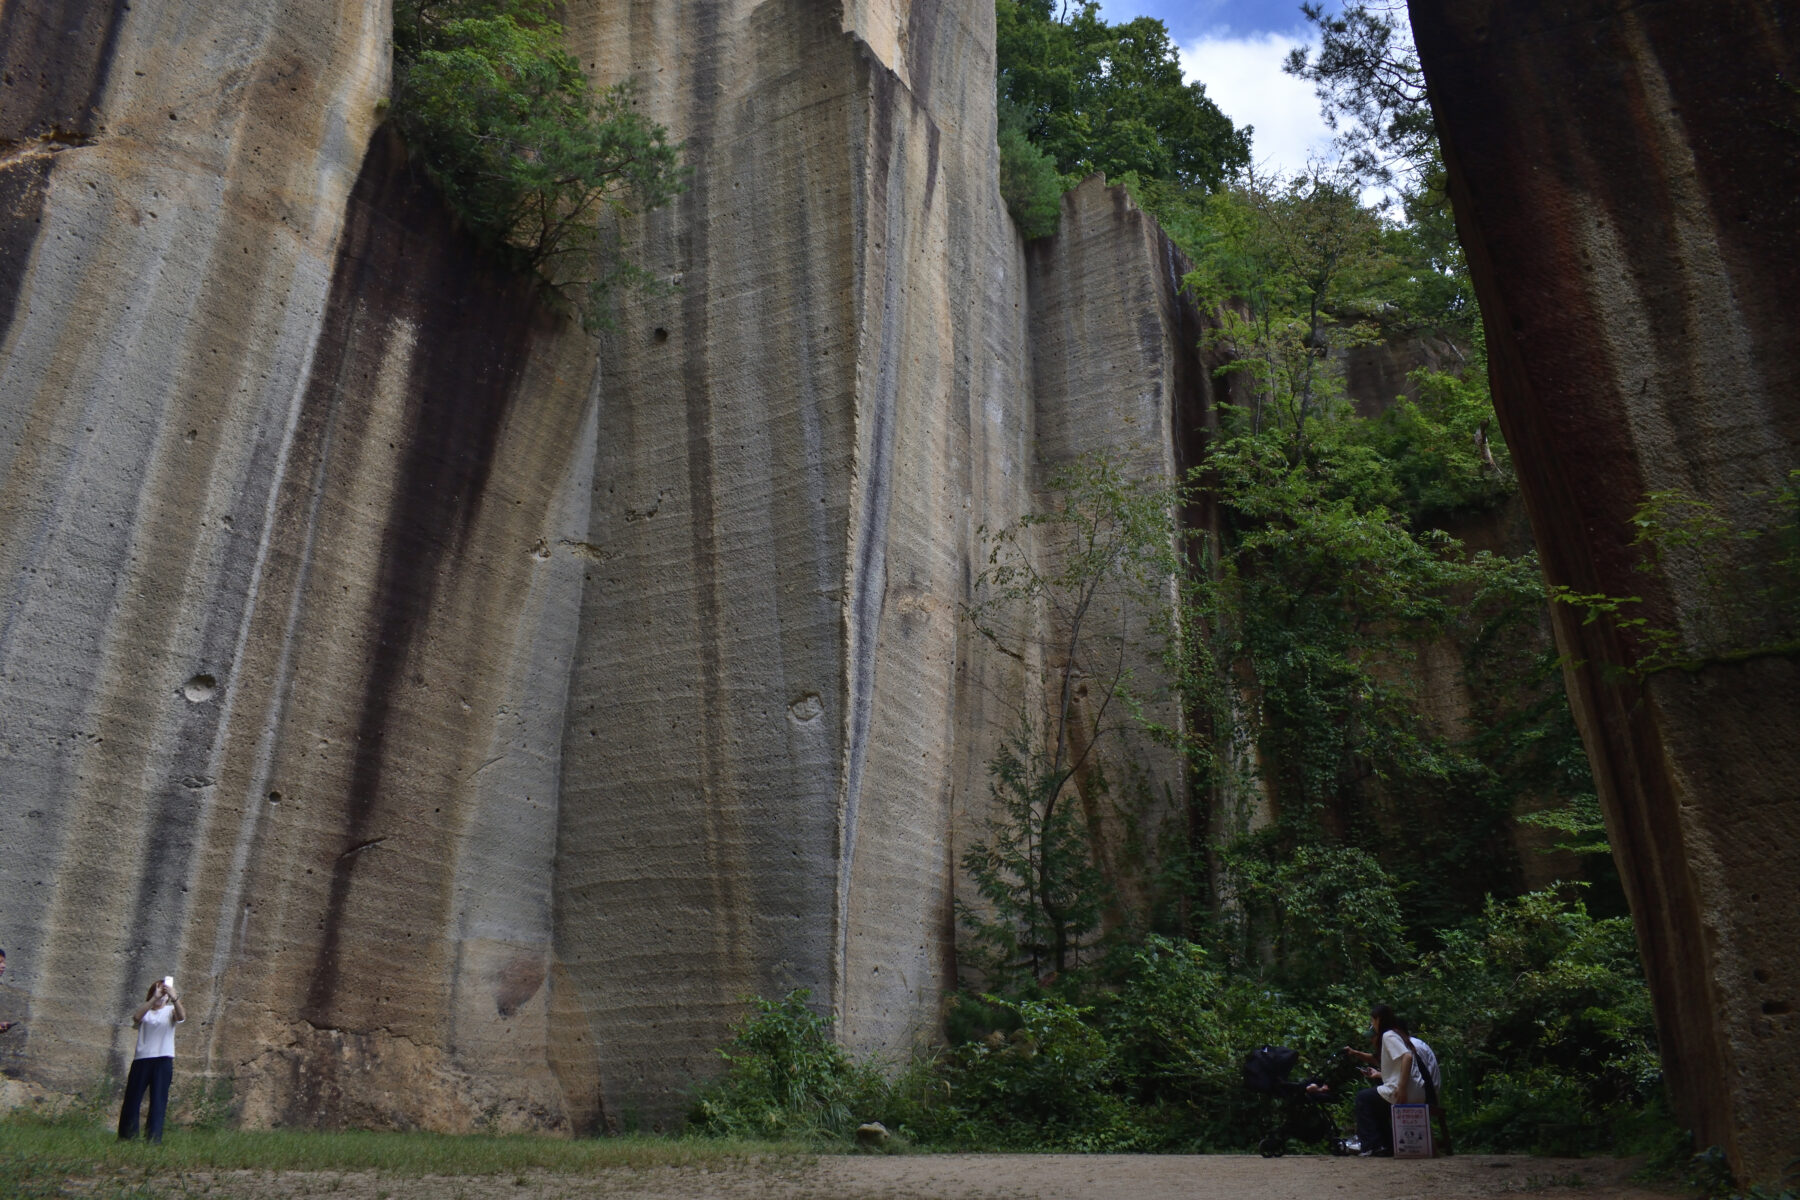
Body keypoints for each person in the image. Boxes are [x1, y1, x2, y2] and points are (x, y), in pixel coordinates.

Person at [1345, 1003, 1439, 1156]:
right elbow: (1377, 1059)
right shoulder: (1397, 1034)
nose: (1372, 1025)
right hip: (1417, 1090)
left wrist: (1401, 1088)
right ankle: (1386, 1144)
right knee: (1376, 1103)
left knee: (1363, 1098)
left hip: (1405, 1090)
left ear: (1379, 1020)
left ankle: (1372, 1145)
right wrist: (1355, 1052)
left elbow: (1406, 1057)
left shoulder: (1388, 1035)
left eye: (1373, 1021)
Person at [118, 978, 185, 1143]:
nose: (162, 994)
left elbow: (181, 1016)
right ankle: (127, 1137)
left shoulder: (170, 1010)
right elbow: (136, 1017)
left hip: (163, 1060)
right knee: (132, 1099)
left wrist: (174, 997)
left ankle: (153, 1139)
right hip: (142, 1059)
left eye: (164, 991)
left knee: (158, 1100)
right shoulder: (146, 1010)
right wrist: (154, 998)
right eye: (159, 990)